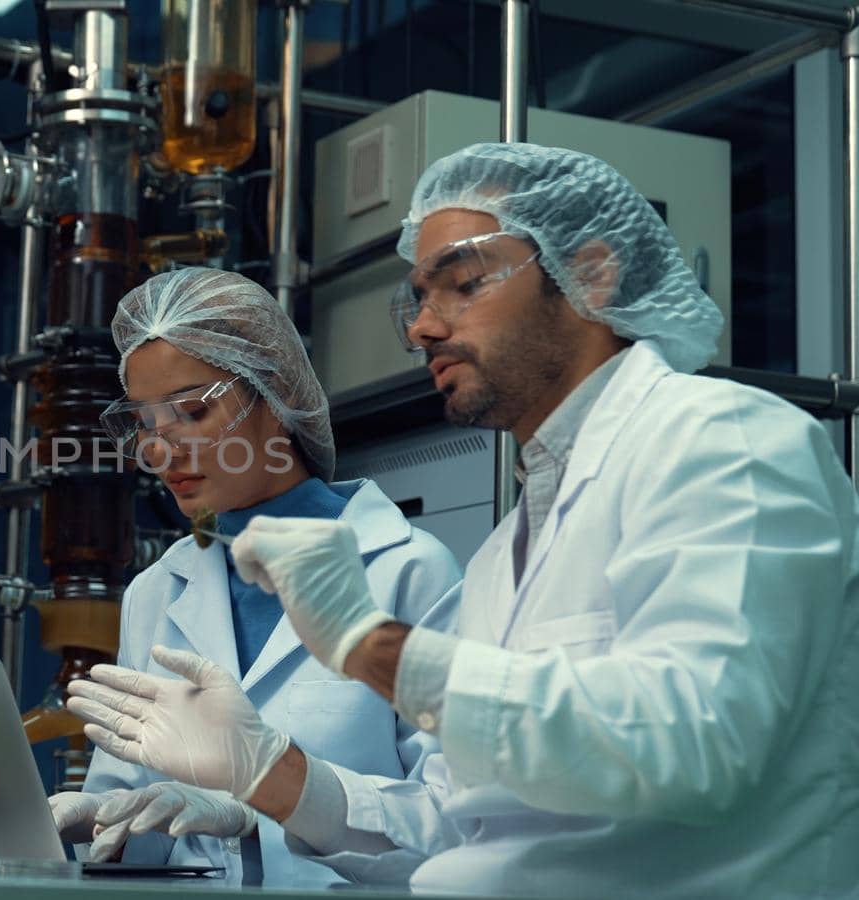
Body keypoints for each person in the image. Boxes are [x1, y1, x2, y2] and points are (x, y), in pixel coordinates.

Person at [65, 144, 859, 898]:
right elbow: (448, 825)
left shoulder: (728, 443)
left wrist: (375, 650)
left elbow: (696, 742)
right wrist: (266, 773)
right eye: (417, 297)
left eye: (464, 283)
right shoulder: (508, 553)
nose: (421, 326)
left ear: (593, 274)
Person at [48, 268, 462, 887]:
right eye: (143, 422)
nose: (160, 451)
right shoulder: (156, 591)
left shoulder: (410, 572)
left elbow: (452, 826)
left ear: (273, 394)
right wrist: (98, 818)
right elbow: (133, 814)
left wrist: (259, 812)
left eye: (190, 411)